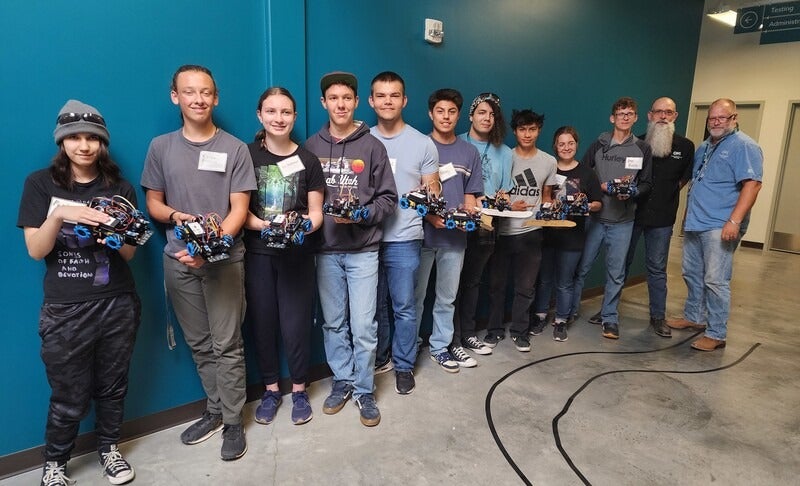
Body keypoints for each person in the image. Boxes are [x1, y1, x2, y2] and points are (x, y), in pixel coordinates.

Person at [18, 100, 140, 485]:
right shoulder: (40, 183)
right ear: (62, 142)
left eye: (92, 138)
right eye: (74, 138)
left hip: (117, 301)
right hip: (65, 308)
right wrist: (60, 214)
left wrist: (112, 227)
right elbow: (37, 250)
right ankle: (55, 462)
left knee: (113, 386)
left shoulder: (119, 187)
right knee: (68, 395)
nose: (84, 145)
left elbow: (131, 253)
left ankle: (109, 449)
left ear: (102, 143)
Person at [140, 65, 256, 460]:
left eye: (206, 92)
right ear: (176, 96)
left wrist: (210, 245)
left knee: (228, 345)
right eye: (189, 92)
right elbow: (153, 202)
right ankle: (214, 410)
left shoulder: (235, 148)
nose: (198, 98)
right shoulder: (160, 147)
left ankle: (234, 422)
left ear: (216, 97)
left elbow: (239, 209)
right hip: (178, 260)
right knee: (201, 344)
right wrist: (177, 219)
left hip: (223, 260)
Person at [304, 72, 397, 426]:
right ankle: (341, 380)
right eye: (333, 98)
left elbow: (390, 198)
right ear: (323, 103)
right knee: (333, 323)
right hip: (325, 250)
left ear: (357, 102)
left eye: (347, 97)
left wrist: (364, 215)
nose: (340, 104)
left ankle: (364, 388)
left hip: (363, 251)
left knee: (362, 324)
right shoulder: (311, 147)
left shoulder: (373, 146)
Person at [243, 87, 325, 425]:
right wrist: (266, 225)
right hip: (259, 254)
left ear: (294, 117)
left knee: (296, 324)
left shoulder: (308, 160)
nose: (279, 118)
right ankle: (272, 389)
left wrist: (300, 227)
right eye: (272, 111)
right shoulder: (245, 156)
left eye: (286, 112)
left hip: (297, 256)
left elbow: (317, 213)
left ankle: (300, 390)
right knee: (262, 323)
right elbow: (238, 210)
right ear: (260, 115)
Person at [669, 98, 762, 351]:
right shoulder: (705, 147)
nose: (717, 122)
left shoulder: (744, 146)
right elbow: (698, 183)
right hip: (696, 222)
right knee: (692, 273)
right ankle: (695, 317)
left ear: (735, 118)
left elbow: (752, 185)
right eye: (713, 118)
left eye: (723, 117)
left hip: (720, 224)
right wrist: (688, 214)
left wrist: (734, 221)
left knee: (715, 280)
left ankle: (717, 333)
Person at [369, 71, 439, 395]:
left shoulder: (423, 143)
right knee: (375, 307)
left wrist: (431, 193)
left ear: (404, 100)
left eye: (393, 95)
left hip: (405, 238)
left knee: (405, 306)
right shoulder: (363, 140)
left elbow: (433, 190)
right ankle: (381, 356)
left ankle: (404, 365)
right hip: (366, 238)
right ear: (370, 101)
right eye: (381, 95)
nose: (387, 101)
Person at [571, 97, 653, 340]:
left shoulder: (643, 148)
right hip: (596, 218)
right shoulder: (599, 143)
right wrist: (602, 187)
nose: (625, 117)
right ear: (612, 118)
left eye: (630, 114)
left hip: (623, 221)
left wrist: (631, 191)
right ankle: (570, 311)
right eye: (620, 114)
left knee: (616, 273)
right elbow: (582, 173)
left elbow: (647, 183)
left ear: (636, 118)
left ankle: (609, 318)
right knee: (581, 268)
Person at [415, 88, 483, 372]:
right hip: (420, 237)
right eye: (440, 111)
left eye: (452, 111)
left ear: (459, 115)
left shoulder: (469, 152)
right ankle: (409, 347)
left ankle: (440, 347)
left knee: (446, 298)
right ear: (431, 114)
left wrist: (467, 213)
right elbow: (411, 194)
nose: (446, 116)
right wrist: (430, 218)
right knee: (414, 299)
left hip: (455, 239)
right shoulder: (419, 146)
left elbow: (471, 196)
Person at [484, 109, 556, 352]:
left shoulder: (549, 162)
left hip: (532, 232)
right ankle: (494, 330)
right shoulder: (505, 156)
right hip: (502, 231)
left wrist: (551, 207)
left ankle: (519, 331)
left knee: (525, 287)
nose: (527, 134)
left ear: (539, 131)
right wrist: (508, 204)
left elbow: (546, 196)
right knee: (496, 285)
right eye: (523, 129)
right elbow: (495, 194)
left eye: (532, 129)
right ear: (515, 131)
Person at [623, 97, 694, 338]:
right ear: (649, 116)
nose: (663, 116)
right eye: (658, 112)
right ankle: (608, 312)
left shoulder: (686, 147)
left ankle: (658, 316)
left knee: (656, 268)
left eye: (668, 112)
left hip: (663, 218)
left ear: (675, 116)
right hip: (632, 215)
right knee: (621, 263)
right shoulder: (635, 142)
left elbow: (683, 180)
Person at [454, 93, 513, 356]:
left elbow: (506, 191)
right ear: (470, 116)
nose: (487, 118)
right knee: (450, 283)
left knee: (472, 282)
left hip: (487, 223)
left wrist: (502, 199)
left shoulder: (506, 151)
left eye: (492, 114)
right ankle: (450, 338)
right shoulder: (456, 143)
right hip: (455, 221)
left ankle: (467, 334)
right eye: (482, 112)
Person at [531, 127, 603, 342]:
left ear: (576, 145)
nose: (566, 147)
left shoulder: (587, 173)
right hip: (547, 235)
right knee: (544, 280)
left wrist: (586, 205)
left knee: (565, 281)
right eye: (561, 144)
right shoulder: (548, 168)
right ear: (555, 146)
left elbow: (599, 204)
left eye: (570, 143)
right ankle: (540, 316)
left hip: (572, 238)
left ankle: (562, 320)